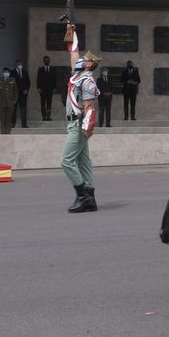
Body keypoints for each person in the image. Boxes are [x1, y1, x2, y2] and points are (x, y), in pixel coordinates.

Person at [62, 28, 101, 213]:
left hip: (78, 125)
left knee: (67, 161)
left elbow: (89, 106)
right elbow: (74, 54)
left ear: (89, 64)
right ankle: (91, 199)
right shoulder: (78, 76)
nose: (80, 59)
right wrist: (71, 30)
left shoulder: (87, 82)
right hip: (74, 123)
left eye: (84, 59)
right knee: (83, 162)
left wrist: (87, 128)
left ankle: (83, 196)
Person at [0, 66, 17, 134]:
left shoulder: (12, 80)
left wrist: (15, 99)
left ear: (9, 73)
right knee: (2, 119)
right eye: (5, 72)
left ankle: (8, 133)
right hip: (2, 103)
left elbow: (16, 91)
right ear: (3, 73)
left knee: (9, 120)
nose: (6, 73)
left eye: (7, 72)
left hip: (10, 102)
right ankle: (3, 132)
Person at [12, 59, 31, 129]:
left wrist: (26, 90)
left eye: (21, 64)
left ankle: (24, 124)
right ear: (16, 65)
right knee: (13, 110)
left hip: (23, 94)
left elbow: (28, 82)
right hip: (14, 95)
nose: (20, 65)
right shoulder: (12, 72)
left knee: (23, 110)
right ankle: (12, 124)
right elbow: (10, 84)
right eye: (18, 64)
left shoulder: (25, 72)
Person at [36, 55, 56, 121]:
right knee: (43, 103)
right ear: (43, 61)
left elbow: (54, 79)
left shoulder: (52, 69)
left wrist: (54, 87)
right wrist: (38, 87)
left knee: (49, 103)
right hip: (42, 89)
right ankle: (44, 116)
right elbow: (38, 79)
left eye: (48, 60)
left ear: (49, 61)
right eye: (45, 60)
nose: (47, 61)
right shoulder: (40, 69)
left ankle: (48, 116)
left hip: (50, 89)